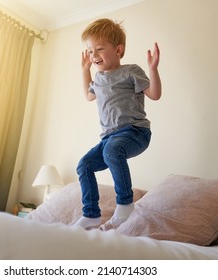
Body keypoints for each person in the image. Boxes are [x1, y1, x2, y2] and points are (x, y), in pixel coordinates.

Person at [74, 18, 162, 229]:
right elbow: (88, 95)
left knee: (112, 151)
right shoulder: (98, 79)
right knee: (84, 165)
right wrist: (85, 70)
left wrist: (153, 69)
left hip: (135, 132)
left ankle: (125, 204)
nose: (94, 55)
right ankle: (92, 214)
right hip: (109, 138)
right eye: (90, 51)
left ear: (118, 49)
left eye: (100, 49)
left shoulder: (131, 71)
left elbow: (155, 94)